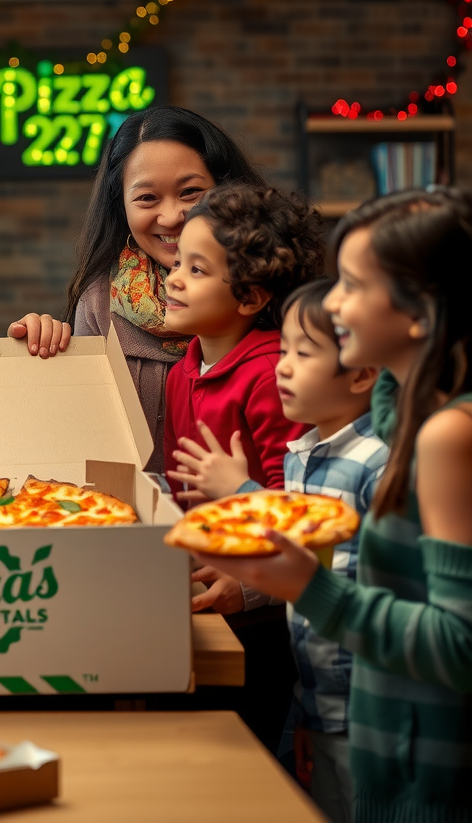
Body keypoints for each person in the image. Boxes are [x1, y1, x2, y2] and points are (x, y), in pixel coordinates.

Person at [191, 188, 472, 823]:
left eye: (352, 283)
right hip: (378, 741)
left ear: (421, 314)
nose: (333, 300)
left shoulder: (449, 433)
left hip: (426, 771)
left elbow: (459, 645)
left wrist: (310, 587)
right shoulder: (397, 418)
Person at [178, 278, 386, 823]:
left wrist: (241, 493)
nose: (282, 367)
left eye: (303, 354)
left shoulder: (377, 464)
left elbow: (358, 584)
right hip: (316, 696)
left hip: (373, 713)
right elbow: (302, 569)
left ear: (363, 373)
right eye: (284, 350)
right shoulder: (303, 454)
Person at [8, 106, 267, 471]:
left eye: (191, 192)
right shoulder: (100, 302)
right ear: (122, 207)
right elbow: (77, 433)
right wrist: (44, 347)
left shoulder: (273, 291)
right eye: (147, 198)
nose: (172, 216)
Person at [161, 182, 325, 753]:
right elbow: (184, 490)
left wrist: (248, 587)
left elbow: (299, 503)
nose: (174, 277)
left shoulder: (272, 373)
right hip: (205, 601)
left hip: (265, 623)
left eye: (197, 269)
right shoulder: (184, 370)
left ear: (251, 297)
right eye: (177, 261)